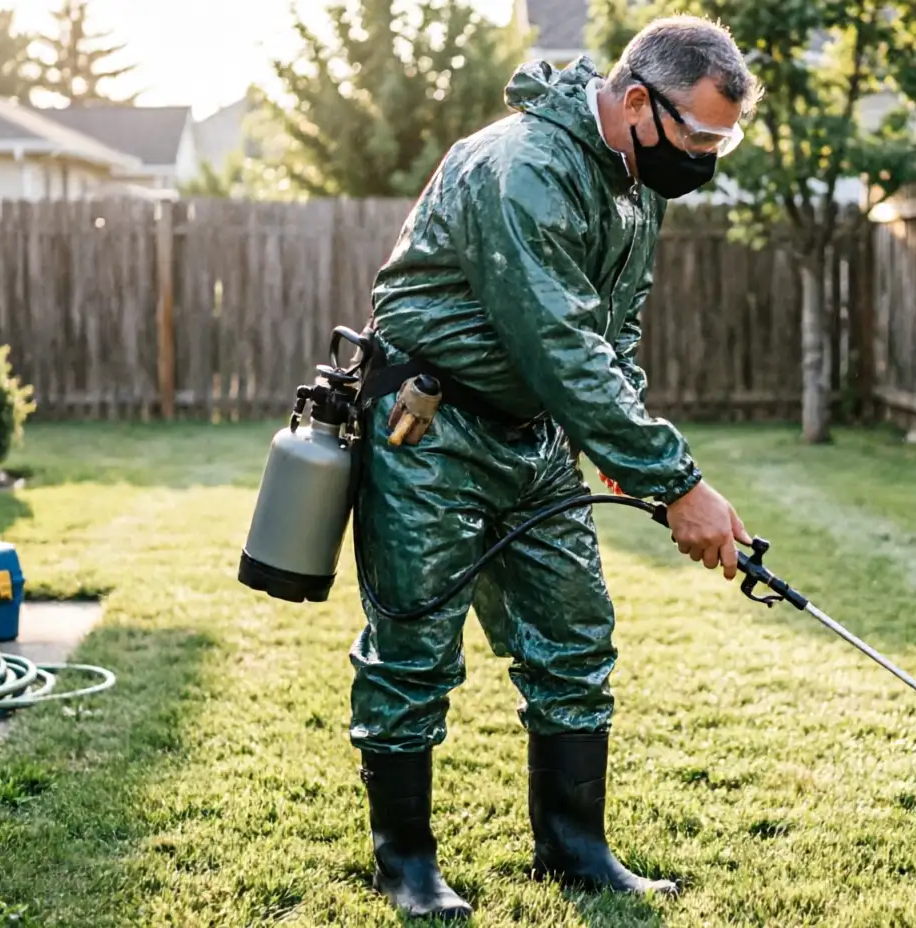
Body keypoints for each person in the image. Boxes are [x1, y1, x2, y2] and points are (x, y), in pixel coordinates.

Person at [346, 15, 764, 921]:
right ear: (638, 102)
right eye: (699, 136)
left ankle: (574, 851)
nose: (707, 158)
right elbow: (561, 348)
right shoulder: (525, 166)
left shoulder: (635, 184)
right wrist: (678, 483)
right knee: (413, 648)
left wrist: (628, 460)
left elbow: (613, 341)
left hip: (532, 440)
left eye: (722, 142)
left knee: (574, 638)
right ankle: (406, 866)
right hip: (431, 433)